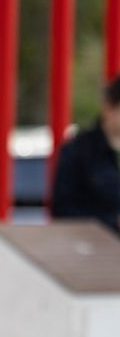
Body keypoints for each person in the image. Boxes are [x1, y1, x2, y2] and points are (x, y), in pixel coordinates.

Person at [51, 76, 120, 233]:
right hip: (95, 248)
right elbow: (63, 210)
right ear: (108, 108)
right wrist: (112, 221)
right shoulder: (78, 151)